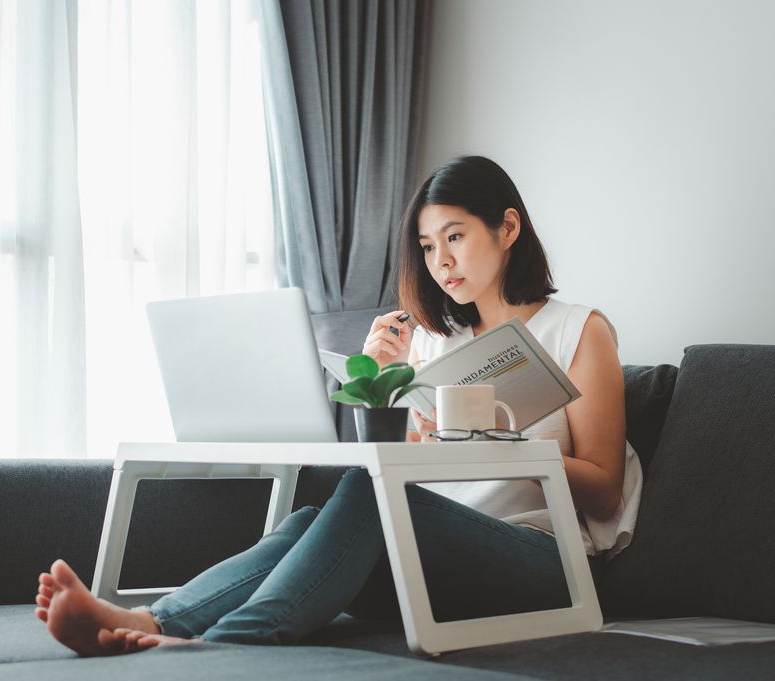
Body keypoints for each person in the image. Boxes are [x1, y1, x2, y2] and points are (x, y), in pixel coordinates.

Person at [33, 155, 642, 656]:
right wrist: (377, 379)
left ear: (507, 229)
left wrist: (493, 446)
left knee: (363, 496)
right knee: (310, 518)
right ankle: (153, 621)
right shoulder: (434, 344)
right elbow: (401, 470)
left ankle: (223, 650)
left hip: (541, 561)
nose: (441, 262)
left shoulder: (578, 332)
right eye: (428, 247)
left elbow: (605, 489)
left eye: (455, 236)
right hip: (430, 554)